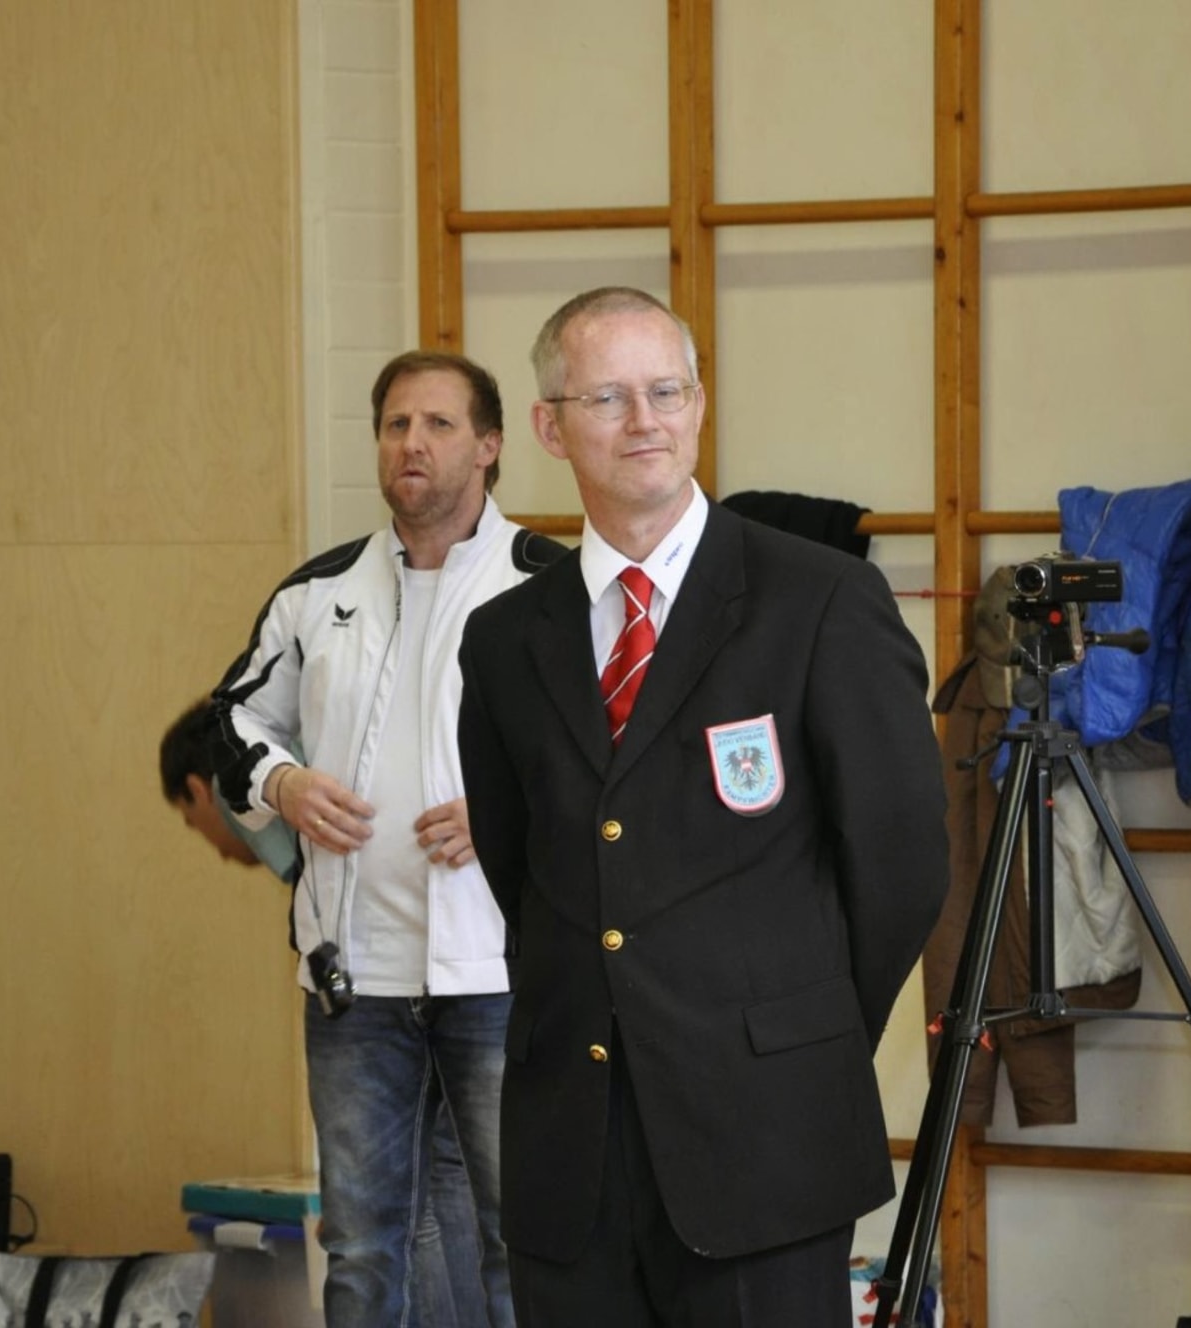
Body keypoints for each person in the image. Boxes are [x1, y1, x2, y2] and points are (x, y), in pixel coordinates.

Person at [455, 287, 950, 1326]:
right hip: (573, 1152)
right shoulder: (503, 640)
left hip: (766, 1140)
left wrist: (795, 1030)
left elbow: (900, 866)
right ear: (549, 426)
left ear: (699, 403)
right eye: (608, 397)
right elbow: (522, 866)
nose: (644, 420)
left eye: (666, 391)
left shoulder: (818, 600)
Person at [211, 351, 563, 1327]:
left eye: (439, 424)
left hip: (502, 977)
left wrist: (508, 810)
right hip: (353, 984)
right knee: (362, 1247)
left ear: (490, 446)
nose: (413, 443)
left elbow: (615, 752)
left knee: (521, 1240)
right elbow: (228, 719)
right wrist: (282, 783)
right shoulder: (317, 590)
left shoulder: (550, 587)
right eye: (396, 424)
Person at [158, 698, 488, 1326]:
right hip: (452, 977)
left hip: (409, 990)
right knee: (448, 1190)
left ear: (199, 789)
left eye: (189, 818)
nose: (214, 847)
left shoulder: (262, 787)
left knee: (411, 1202)